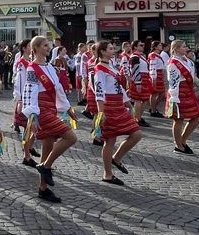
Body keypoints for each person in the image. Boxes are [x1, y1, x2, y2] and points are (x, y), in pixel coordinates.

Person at [21, 36, 79, 202]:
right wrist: (32, 114)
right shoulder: (32, 68)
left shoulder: (49, 67)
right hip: (40, 110)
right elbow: (29, 90)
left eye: (48, 45)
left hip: (52, 107)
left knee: (47, 147)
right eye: (45, 45)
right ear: (37, 48)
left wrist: (67, 108)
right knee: (70, 137)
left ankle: (43, 188)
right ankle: (45, 166)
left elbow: (58, 89)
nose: (49, 47)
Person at [91, 42, 143, 185]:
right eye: (110, 48)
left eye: (114, 48)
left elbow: (118, 87)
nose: (114, 50)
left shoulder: (111, 66)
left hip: (119, 105)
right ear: (102, 52)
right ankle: (107, 174)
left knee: (136, 134)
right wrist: (101, 113)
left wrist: (127, 102)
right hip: (108, 106)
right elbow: (99, 91)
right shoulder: (99, 69)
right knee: (110, 140)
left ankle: (116, 158)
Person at [164, 40, 199, 154]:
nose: (187, 48)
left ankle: (183, 140)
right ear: (176, 48)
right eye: (184, 46)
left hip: (188, 91)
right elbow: (173, 81)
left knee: (197, 117)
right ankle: (178, 145)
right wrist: (174, 98)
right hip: (178, 92)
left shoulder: (187, 61)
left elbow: (192, 75)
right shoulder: (173, 63)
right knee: (178, 119)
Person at [147, 41, 167, 118]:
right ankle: (153, 110)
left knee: (161, 93)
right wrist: (153, 79)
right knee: (154, 93)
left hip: (159, 75)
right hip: (156, 76)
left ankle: (153, 107)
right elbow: (152, 67)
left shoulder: (157, 55)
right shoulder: (153, 55)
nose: (161, 46)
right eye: (159, 45)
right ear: (155, 47)